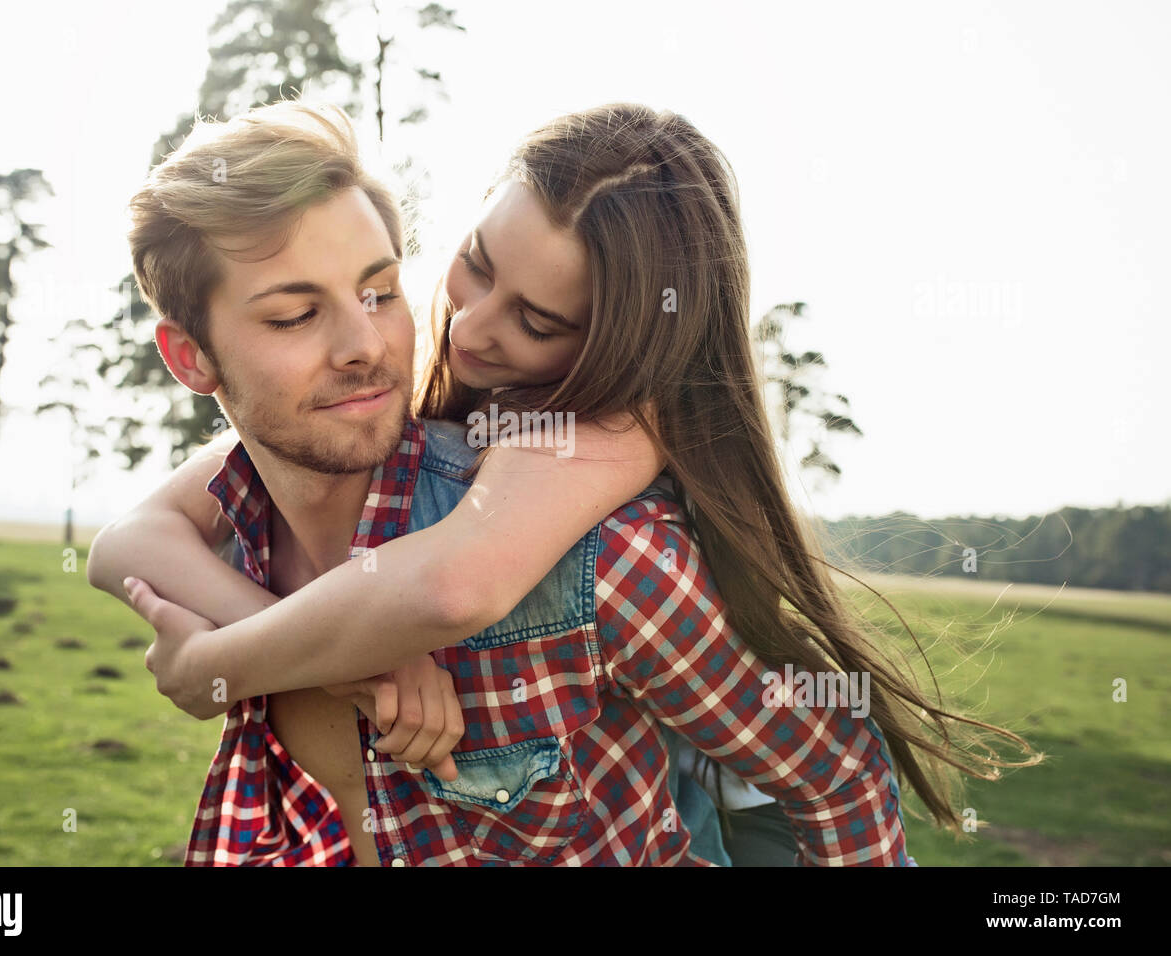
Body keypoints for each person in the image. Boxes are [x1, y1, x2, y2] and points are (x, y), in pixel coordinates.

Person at [90, 98, 1038, 866]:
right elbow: (123, 540)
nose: (379, 341)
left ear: (610, 349)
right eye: (298, 315)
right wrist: (318, 652)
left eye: (380, 291)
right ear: (191, 358)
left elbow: (833, 777)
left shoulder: (593, 537)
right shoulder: (244, 522)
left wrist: (216, 665)